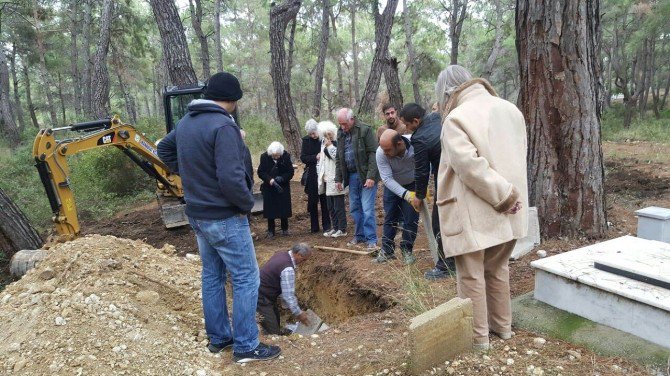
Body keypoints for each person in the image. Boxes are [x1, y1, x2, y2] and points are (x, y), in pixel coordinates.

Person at [157, 72, 280, 363]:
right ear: (233, 100)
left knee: (212, 276)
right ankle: (247, 346)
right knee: (246, 278)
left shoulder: (187, 122)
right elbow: (230, 177)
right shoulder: (224, 126)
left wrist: (188, 174)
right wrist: (246, 204)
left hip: (198, 215)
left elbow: (163, 148)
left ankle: (219, 339)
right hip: (224, 216)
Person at [435, 65, 528, 351]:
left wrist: (503, 196)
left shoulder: (456, 118)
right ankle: (503, 327)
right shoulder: (510, 109)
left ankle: (478, 339)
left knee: (471, 274)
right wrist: (512, 198)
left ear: (447, 92)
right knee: (497, 268)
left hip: (477, 209)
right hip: (513, 209)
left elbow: (470, 167)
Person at [399, 103, 456, 280]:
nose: (406, 129)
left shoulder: (420, 138)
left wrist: (419, 195)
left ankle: (446, 266)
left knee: (439, 222)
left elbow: (422, 171)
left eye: (407, 125)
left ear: (415, 121)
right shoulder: (437, 118)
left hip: (446, 178)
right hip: (462, 174)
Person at [334, 108, 379, 250]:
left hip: (366, 175)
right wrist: (338, 178)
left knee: (367, 209)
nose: (342, 127)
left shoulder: (365, 130)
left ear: (352, 119)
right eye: (340, 124)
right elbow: (338, 157)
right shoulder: (340, 133)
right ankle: (359, 236)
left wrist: (371, 176)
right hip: (351, 176)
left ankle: (371, 239)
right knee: (355, 208)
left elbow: (373, 154)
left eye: (344, 124)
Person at [375, 129, 420, 265]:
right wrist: (406, 195)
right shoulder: (380, 152)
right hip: (392, 186)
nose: (384, 153)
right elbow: (387, 179)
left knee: (411, 219)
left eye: (388, 150)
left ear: (399, 144)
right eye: (383, 149)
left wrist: (421, 191)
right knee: (390, 217)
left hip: (413, 184)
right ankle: (387, 251)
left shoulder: (416, 145)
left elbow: (424, 167)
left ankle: (407, 252)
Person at [257, 243, 313, 335]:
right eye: (304, 259)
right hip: (261, 297)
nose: (304, 262)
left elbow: (284, 291)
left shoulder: (282, 254)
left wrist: (289, 306)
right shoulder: (288, 269)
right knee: (273, 333)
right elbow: (288, 295)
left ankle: (274, 332)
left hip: (264, 293)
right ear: (299, 255)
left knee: (276, 321)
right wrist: (298, 313)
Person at [258, 141, 295, 239]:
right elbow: (261, 172)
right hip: (269, 187)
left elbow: (290, 172)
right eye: (274, 156)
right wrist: (269, 179)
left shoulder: (286, 156)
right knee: (270, 209)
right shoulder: (264, 157)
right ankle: (271, 230)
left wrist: (282, 178)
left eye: (278, 155)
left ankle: (285, 228)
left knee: (284, 207)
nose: (276, 157)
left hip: (283, 186)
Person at [316, 120, 347, 238]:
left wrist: (329, 147)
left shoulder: (337, 144)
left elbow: (338, 158)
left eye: (329, 134)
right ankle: (335, 227)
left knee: (339, 206)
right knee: (330, 207)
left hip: (336, 178)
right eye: (324, 134)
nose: (327, 137)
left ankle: (342, 229)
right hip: (327, 179)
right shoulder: (323, 145)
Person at [301, 119, 331, 234]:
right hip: (312, 173)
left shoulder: (324, 138)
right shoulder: (306, 141)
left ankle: (327, 225)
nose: (312, 136)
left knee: (324, 199)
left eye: (314, 133)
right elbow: (303, 157)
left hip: (324, 172)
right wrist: (315, 157)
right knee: (313, 201)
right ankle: (314, 227)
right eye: (310, 134)